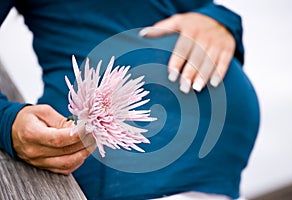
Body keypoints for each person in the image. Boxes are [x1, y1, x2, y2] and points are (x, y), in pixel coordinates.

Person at [0, 1, 260, 199]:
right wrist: (6, 121)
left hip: (221, 186)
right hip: (117, 180)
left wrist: (218, 21)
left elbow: (203, 8)